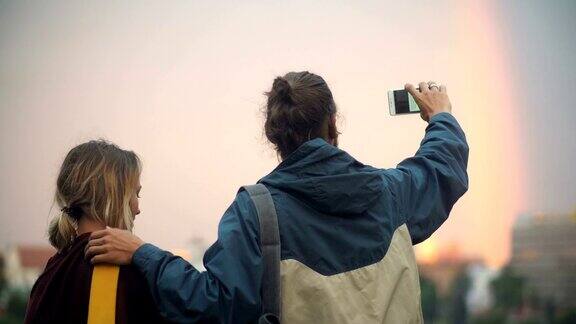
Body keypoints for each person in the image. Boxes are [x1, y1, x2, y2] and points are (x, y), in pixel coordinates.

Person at [86, 72, 469, 323]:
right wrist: (441, 117)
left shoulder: (254, 213)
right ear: (333, 123)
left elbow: (214, 305)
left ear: (273, 136)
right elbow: (441, 170)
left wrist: (142, 254)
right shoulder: (390, 195)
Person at [24, 140, 170, 324]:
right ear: (112, 195)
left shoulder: (54, 267)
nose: (137, 208)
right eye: (135, 194)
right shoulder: (113, 266)